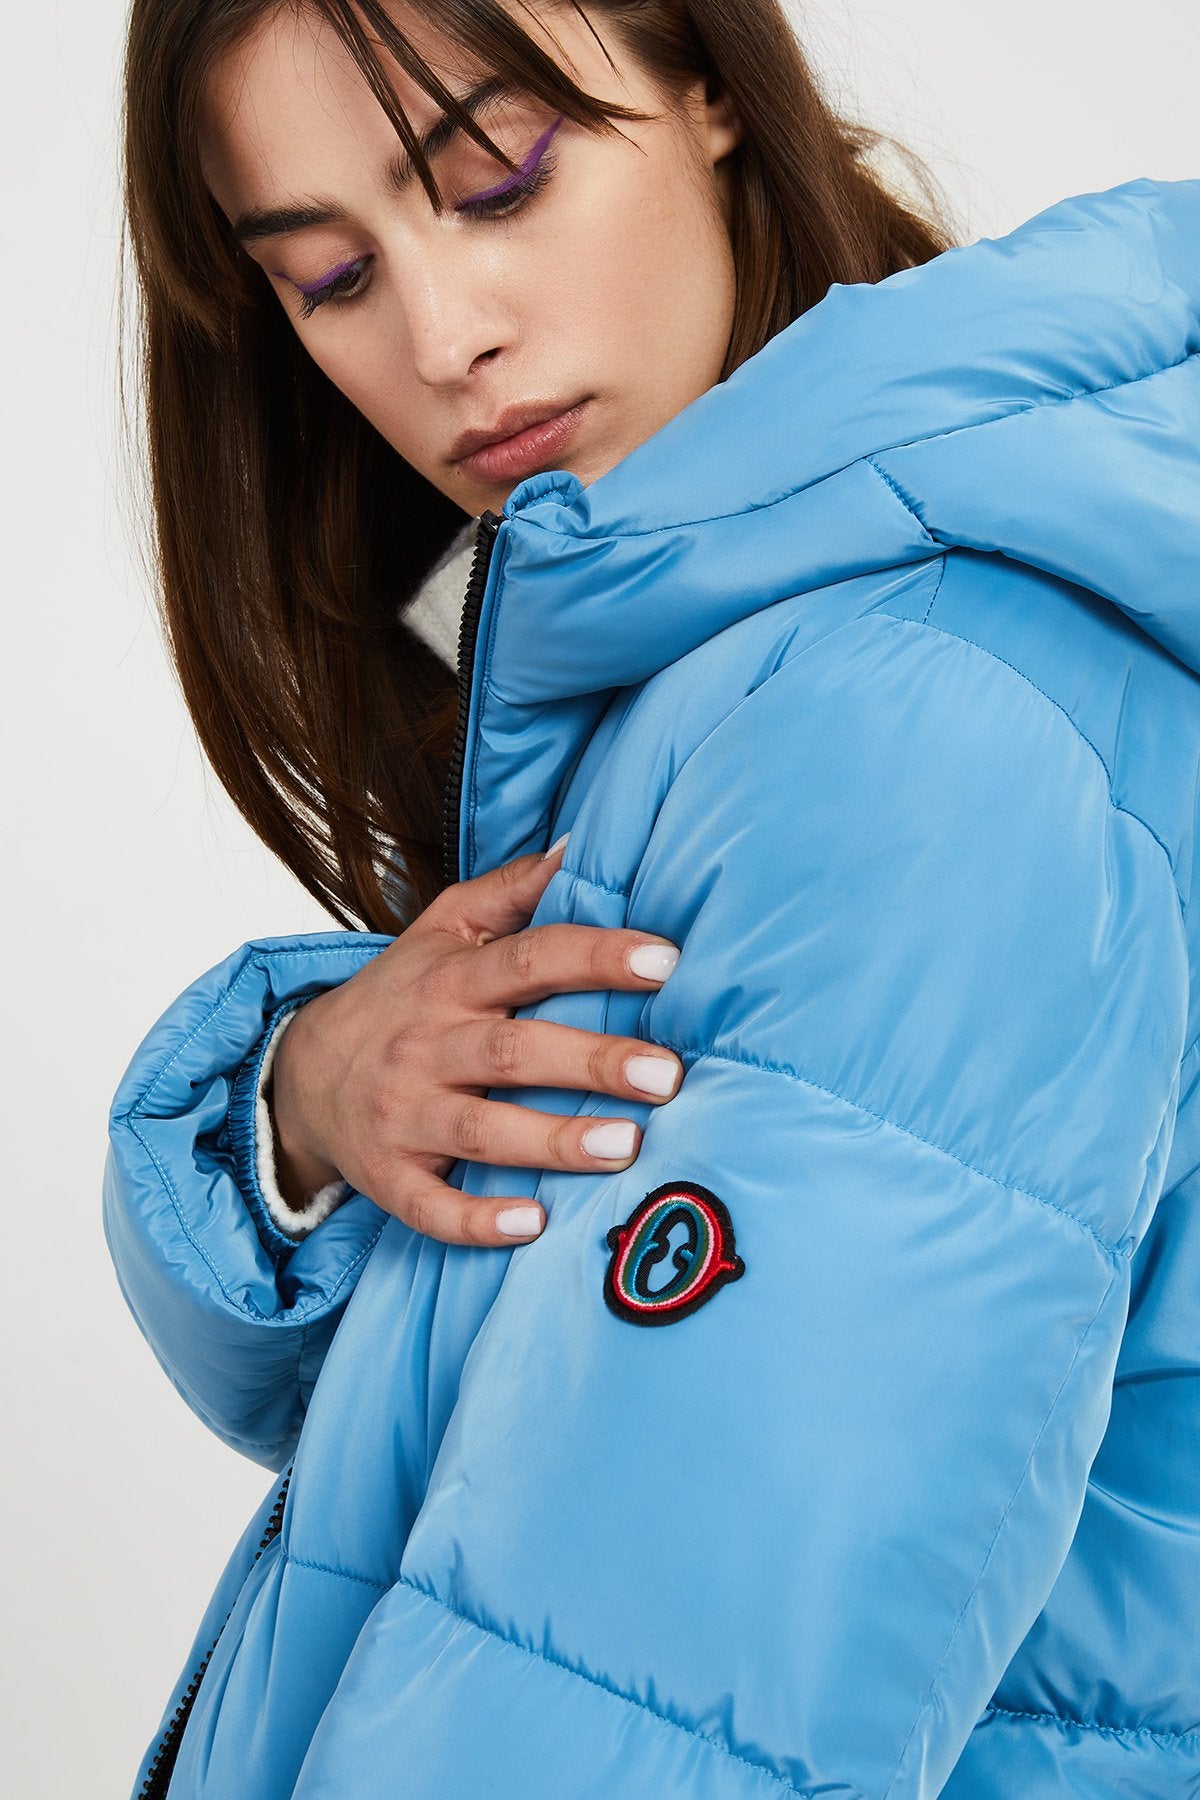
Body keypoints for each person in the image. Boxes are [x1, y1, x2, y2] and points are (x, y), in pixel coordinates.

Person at [104, 0, 1200, 1793]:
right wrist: (302, 1101)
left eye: (496, 180)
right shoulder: (732, 654)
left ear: (702, 80)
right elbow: (437, 1414)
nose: (443, 340)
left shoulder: (906, 719)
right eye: (328, 278)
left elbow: (641, 1715)